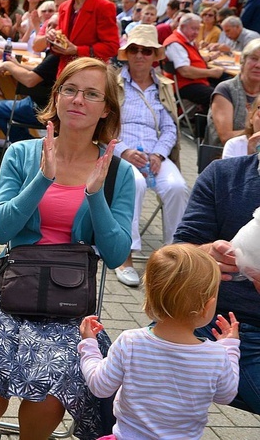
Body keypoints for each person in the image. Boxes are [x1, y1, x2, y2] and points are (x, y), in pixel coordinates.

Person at [0, 57, 135, 440]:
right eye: (70, 89)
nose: (78, 99)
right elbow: (0, 230)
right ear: (57, 95)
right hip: (11, 288)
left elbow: (115, 255)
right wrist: (43, 179)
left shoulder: (118, 172)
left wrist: (95, 194)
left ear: (106, 109)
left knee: (49, 392)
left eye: (91, 93)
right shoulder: (23, 154)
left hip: (70, 303)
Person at [79, 244, 240, 439]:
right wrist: (230, 347)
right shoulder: (216, 356)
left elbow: (100, 386)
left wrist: (89, 345)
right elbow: (226, 395)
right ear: (208, 306)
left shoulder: (130, 342)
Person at [173, 154, 260, 413]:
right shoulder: (225, 175)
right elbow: (176, 253)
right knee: (130, 370)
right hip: (200, 319)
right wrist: (204, 254)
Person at [112, 25, 189, 287]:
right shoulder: (115, 83)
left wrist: (159, 153)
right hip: (123, 153)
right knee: (134, 183)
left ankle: (173, 257)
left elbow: (170, 128)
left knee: (178, 187)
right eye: (134, 49)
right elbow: (106, 124)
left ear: (155, 55)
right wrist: (124, 150)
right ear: (127, 53)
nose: (140, 55)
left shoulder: (164, 87)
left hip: (156, 154)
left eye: (147, 50)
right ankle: (126, 256)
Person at [47, 0, 119, 75]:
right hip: (64, 74)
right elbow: (62, 45)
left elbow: (111, 47)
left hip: (89, 76)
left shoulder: (103, 7)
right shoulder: (64, 6)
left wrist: (77, 50)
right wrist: (53, 39)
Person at [0, 52, 59, 142]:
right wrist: (17, 65)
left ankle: (26, 145)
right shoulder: (65, 56)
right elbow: (41, 70)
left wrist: (8, 65)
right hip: (50, 109)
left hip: (41, 110)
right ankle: (30, 144)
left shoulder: (56, 56)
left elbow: (29, 80)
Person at [164, 13, 226, 110]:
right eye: (193, 29)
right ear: (182, 26)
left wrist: (210, 58)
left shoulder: (186, 40)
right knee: (219, 97)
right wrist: (211, 73)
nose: (196, 32)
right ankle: (205, 123)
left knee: (227, 84)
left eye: (198, 29)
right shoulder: (175, 43)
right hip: (184, 84)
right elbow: (185, 71)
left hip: (195, 80)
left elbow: (193, 59)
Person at [205, 38, 260, 146]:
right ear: (242, 61)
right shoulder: (226, 90)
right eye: (254, 58)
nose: (258, 65)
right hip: (225, 156)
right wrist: (254, 133)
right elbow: (226, 137)